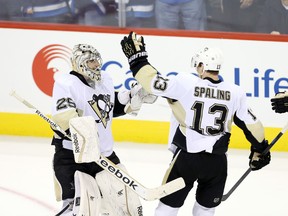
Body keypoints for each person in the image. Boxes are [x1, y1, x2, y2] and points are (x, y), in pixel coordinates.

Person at [120, 32, 271, 216]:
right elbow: (253, 126)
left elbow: (153, 83)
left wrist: (138, 60)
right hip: (217, 163)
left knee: (167, 208)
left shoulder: (186, 83)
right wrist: (260, 149)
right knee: (206, 210)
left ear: (202, 65)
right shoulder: (235, 92)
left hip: (187, 160)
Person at [51, 43, 156, 215]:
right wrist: (84, 138)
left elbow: (108, 108)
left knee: (121, 204)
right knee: (78, 208)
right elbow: (64, 118)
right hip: (73, 158)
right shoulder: (65, 83)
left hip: (104, 155)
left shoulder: (104, 79)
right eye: (91, 61)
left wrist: (131, 97)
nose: (96, 65)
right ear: (78, 63)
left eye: (97, 61)